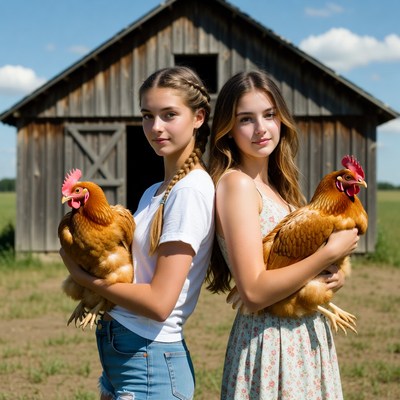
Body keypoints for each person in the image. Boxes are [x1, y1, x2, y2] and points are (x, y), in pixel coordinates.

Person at [60, 66, 215, 400]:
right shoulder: (153, 192)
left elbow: (160, 303)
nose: (155, 127)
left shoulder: (190, 192)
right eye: (147, 115)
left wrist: (83, 279)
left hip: (150, 355)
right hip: (125, 349)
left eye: (169, 115)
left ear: (199, 117)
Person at [206, 70, 359, 400]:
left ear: (281, 120)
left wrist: (329, 277)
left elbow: (287, 270)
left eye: (269, 115)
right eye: (246, 119)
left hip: (302, 335)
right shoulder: (238, 185)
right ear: (228, 131)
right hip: (272, 344)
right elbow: (255, 292)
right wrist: (328, 254)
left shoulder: (280, 190)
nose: (261, 128)